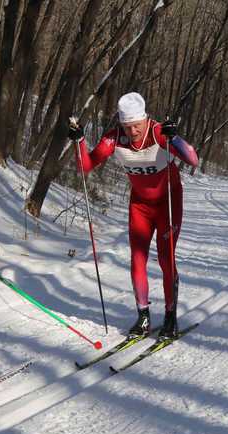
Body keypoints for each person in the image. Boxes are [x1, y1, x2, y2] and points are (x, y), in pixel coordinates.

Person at [68, 92, 199, 341]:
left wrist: (175, 137)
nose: (133, 132)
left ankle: (170, 315)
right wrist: (80, 141)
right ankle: (143, 316)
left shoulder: (159, 132)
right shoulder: (115, 138)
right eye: (127, 127)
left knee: (165, 258)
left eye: (136, 126)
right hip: (140, 205)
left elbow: (193, 159)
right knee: (137, 259)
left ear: (145, 119)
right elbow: (85, 166)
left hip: (168, 202)